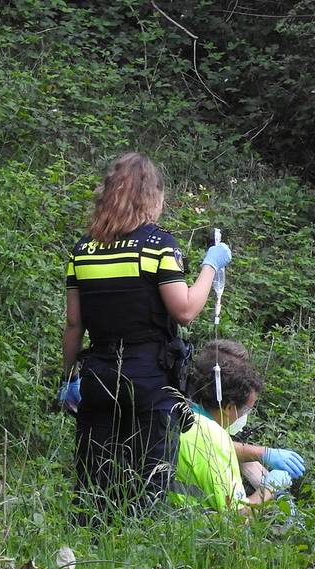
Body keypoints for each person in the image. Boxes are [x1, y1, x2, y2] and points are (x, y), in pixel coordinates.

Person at [59, 153, 232, 523]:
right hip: (149, 381)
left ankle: (81, 562)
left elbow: (74, 325)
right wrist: (210, 265)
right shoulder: (157, 246)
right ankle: (135, 551)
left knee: (94, 484)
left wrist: (69, 377)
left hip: (98, 378)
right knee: (148, 485)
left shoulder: (83, 250)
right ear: (151, 196)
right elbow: (184, 310)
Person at [169, 343, 286, 511]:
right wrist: (270, 489)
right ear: (229, 407)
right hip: (200, 529)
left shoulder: (175, 411)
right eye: (246, 409)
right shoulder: (215, 438)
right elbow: (236, 520)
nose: (245, 415)